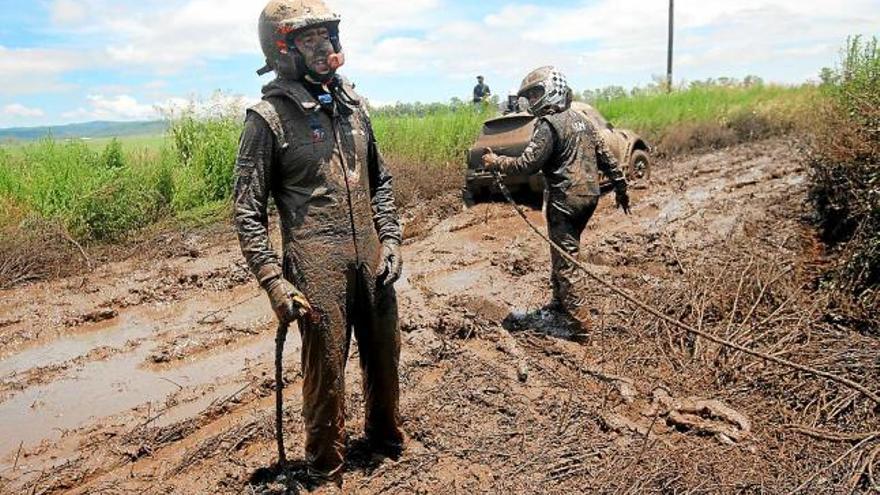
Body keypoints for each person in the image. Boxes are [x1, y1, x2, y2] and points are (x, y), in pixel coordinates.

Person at [234, 0, 404, 482]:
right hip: (314, 262)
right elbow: (247, 211)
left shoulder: (355, 106)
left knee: (385, 354)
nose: (322, 45)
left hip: (372, 257)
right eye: (307, 38)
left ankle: (386, 439)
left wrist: (390, 240)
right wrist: (274, 282)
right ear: (282, 48)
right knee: (326, 371)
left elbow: (382, 183)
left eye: (326, 34)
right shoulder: (266, 117)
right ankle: (325, 467)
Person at [482, 66, 630, 331]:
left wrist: (496, 162)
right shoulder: (583, 120)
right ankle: (559, 303)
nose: (534, 101)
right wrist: (621, 189)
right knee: (564, 252)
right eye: (530, 96)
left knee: (566, 263)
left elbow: (526, 164)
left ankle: (581, 327)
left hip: (564, 201)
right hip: (589, 198)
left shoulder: (548, 124)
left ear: (554, 89)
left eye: (537, 93)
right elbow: (607, 158)